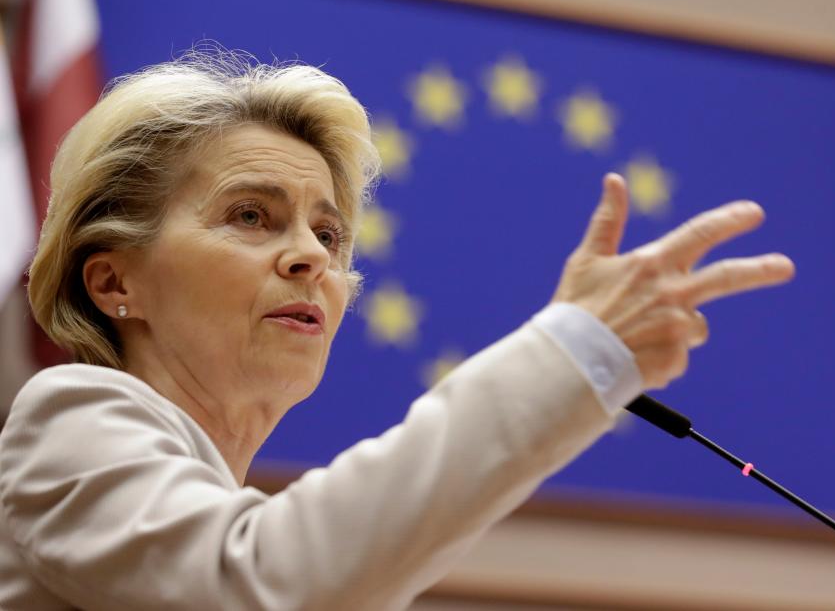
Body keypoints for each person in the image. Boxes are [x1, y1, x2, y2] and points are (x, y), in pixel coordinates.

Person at [0, 49, 794, 610]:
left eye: (331, 234)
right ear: (113, 281)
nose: (311, 257)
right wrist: (574, 351)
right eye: (252, 216)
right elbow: (266, 586)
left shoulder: (224, 513)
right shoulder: (67, 419)